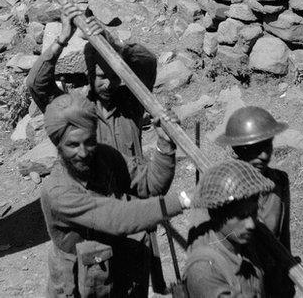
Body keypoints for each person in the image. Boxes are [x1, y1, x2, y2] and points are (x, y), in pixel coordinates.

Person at [39, 93, 193, 298]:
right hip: (81, 285)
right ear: (58, 146)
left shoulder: (107, 157)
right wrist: (183, 200)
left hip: (119, 269)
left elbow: (150, 186)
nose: (84, 152)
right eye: (73, 145)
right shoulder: (57, 191)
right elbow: (117, 217)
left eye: (89, 141)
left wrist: (165, 145)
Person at [27, 3, 157, 165]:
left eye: (114, 76)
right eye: (102, 77)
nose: (109, 84)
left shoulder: (130, 103)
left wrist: (114, 44)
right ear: (89, 75)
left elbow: (148, 63)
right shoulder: (72, 112)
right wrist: (62, 39)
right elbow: (36, 84)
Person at [215, 105, 295, 295]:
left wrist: (286, 275)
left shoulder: (279, 181)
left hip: (273, 278)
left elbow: (283, 237)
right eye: (256, 149)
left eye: (267, 145)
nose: (264, 155)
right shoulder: (222, 187)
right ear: (238, 149)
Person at [183, 159, 277, 297]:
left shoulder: (245, 244)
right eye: (241, 216)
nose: (251, 224)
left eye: (254, 213)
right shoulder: (204, 270)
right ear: (217, 215)